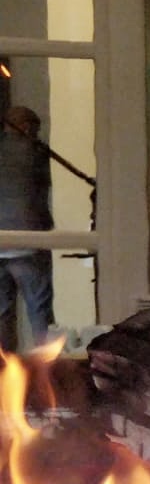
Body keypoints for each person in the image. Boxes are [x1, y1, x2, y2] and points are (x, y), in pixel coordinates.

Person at [0, 105, 55, 353]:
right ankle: (48, 375)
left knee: (1, 315)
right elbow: (41, 192)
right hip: (29, 244)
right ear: (25, 126)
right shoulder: (34, 152)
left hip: (2, 243)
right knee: (39, 313)